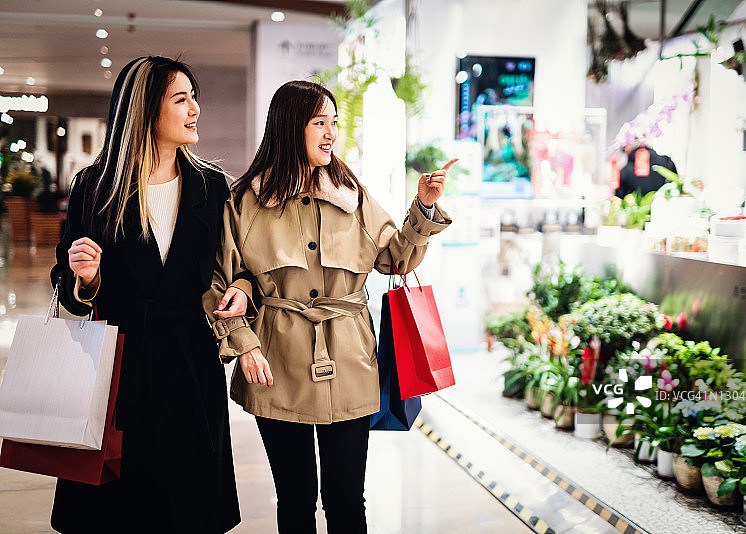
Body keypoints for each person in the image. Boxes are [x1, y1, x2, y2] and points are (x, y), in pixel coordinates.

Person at [203, 80, 455, 534]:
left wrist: (424, 208)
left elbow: (394, 258)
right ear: (288, 127)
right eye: (319, 122)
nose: (330, 133)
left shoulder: (351, 192)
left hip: (349, 360)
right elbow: (221, 282)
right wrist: (243, 345)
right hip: (275, 363)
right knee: (295, 499)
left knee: (346, 499)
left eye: (333, 123)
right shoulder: (244, 202)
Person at [49, 56, 247, 533]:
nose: (195, 108)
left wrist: (241, 289)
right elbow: (67, 285)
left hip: (190, 366)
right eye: (181, 99)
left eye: (194, 96)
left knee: (188, 505)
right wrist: (87, 278)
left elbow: (238, 267)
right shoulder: (96, 189)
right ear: (145, 110)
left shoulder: (212, 187)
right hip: (118, 372)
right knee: (120, 511)